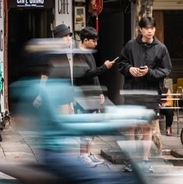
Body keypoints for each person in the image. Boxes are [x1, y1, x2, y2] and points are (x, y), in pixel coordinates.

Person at [118, 16, 172, 173]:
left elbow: (166, 70)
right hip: (132, 90)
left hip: (150, 93)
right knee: (131, 126)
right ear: (140, 29)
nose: (150, 31)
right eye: (147, 28)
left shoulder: (161, 48)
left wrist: (149, 73)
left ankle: (145, 160)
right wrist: (129, 69)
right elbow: (121, 64)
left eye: (152, 28)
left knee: (147, 127)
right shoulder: (130, 45)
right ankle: (130, 160)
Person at [74, 27, 116, 168]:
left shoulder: (89, 53)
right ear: (85, 40)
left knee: (91, 127)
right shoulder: (79, 55)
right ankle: (82, 155)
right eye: (94, 41)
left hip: (92, 95)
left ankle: (88, 153)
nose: (96, 44)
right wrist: (104, 67)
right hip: (83, 96)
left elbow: (94, 75)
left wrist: (99, 92)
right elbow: (87, 74)